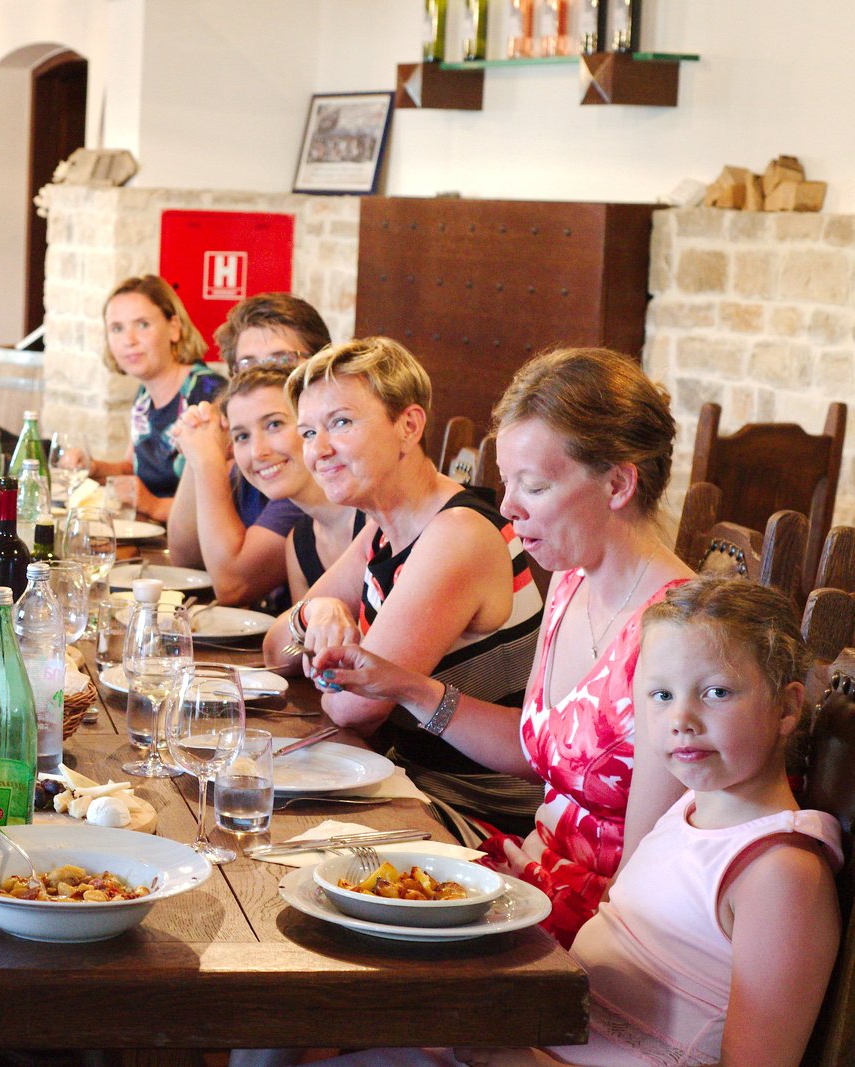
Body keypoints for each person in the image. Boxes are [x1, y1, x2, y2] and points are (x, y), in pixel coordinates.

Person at [297, 577, 843, 1067]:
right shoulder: (688, 811)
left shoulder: (781, 872)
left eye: (717, 692)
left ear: (787, 708)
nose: (681, 719)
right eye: (661, 694)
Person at [309, 347, 692, 946]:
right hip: (532, 871)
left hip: (603, 928)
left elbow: (642, 882)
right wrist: (408, 687)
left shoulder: (679, 637)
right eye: (508, 482)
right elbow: (536, 747)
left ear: (618, 483)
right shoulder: (572, 579)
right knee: (321, 878)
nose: (508, 508)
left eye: (533, 486)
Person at [262, 337, 545, 833]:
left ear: (409, 426)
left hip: (478, 817)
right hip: (410, 787)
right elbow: (273, 650)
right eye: (308, 432)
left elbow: (354, 708)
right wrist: (317, 612)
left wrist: (318, 658)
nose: (318, 450)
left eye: (340, 423)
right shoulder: (384, 528)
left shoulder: (456, 534)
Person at [169, 293, 354, 600]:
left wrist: (207, 462)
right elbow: (187, 561)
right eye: (248, 366)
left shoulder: (311, 470)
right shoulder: (255, 456)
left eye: (283, 362)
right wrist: (200, 444)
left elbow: (233, 585)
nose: (266, 378)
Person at [73, 275, 223, 522]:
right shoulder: (144, 396)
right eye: (117, 328)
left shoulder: (209, 395)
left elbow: (224, 502)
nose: (129, 340)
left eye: (142, 325)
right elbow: (133, 467)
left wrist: (153, 505)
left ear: (174, 328)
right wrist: (94, 468)